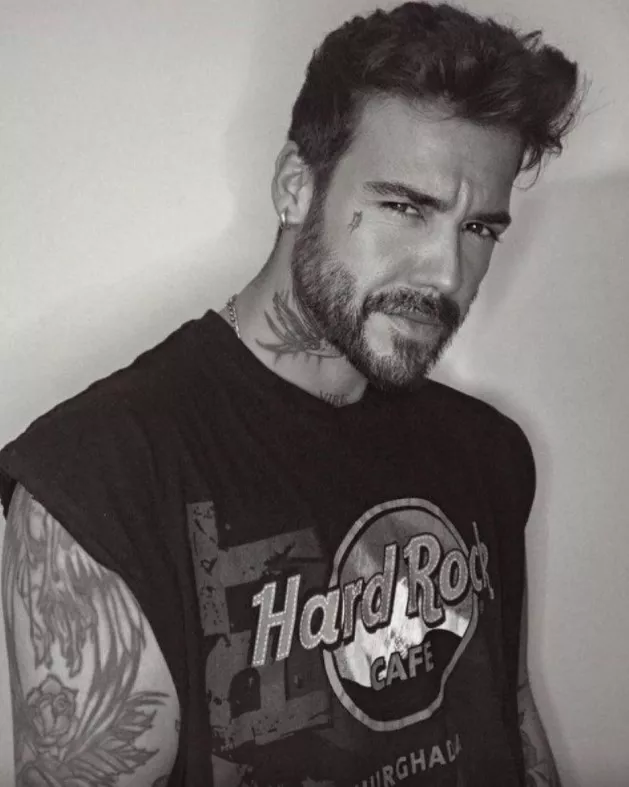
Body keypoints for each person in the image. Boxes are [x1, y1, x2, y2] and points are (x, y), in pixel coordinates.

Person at [0, 2, 583, 785]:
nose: (447, 274)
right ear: (294, 187)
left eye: (478, 228)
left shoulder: (488, 451)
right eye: (405, 208)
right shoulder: (101, 477)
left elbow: (507, 717)